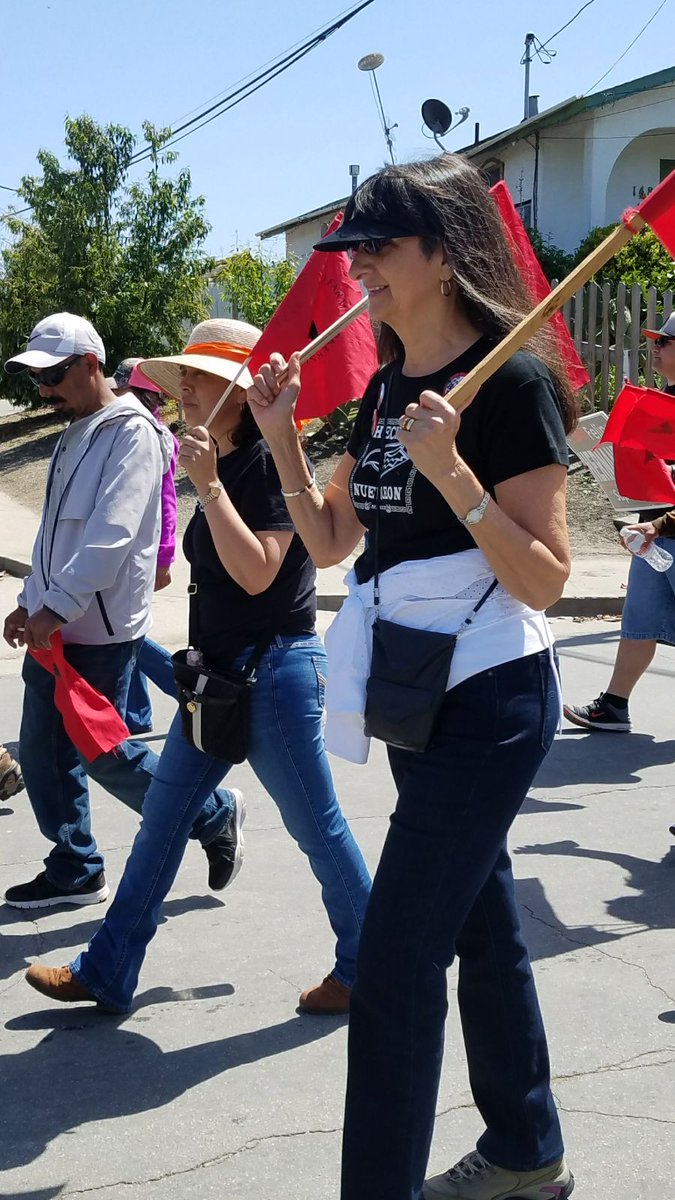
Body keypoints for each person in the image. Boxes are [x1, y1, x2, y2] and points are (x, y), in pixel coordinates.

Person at [248, 155, 576, 1200]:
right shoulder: (386, 384)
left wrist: (456, 478)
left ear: (442, 252)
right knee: (481, 924)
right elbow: (331, 541)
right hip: (412, 690)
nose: (357, 271)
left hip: (490, 695)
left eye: (376, 249)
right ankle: (527, 1149)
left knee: (393, 963)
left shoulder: (510, 381)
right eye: (352, 252)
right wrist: (280, 441)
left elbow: (547, 578)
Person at [24, 317, 371, 1016]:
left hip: (272, 674)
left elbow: (257, 572)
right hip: (217, 679)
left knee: (317, 829)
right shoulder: (225, 457)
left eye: (200, 377)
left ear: (241, 392)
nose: (184, 387)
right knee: (159, 826)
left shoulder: (266, 463)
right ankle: (108, 970)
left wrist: (207, 487)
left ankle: (372, 964)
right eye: (182, 375)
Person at [2, 313, 241, 910]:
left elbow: (109, 537)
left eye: (53, 375)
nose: (44, 390)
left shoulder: (133, 432)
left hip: (98, 632)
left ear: (91, 365)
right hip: (56, 627)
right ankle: (75, 865)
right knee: (41, 752)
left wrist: (55, 607)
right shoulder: (76, 430)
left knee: (102, 753)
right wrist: (29, 601)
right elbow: (53, 535)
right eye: (37, 378)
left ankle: (212, 814)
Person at [564, 313, 675, 733]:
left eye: (663, 342)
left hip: (662, 531)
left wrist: (658, 525)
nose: (654, 347)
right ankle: (614, 705)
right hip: (655, 534)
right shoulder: (661, 403)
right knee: (639, 623)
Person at [110, 358, 179, 734]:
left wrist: (165, 557)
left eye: (123, 388)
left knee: (125, 632)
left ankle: (183, 687)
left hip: (139, 554)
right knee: (122, 630)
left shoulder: (156, 436)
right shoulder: (126, 429)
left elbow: (168, 502)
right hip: (123, 553)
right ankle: (135, 715)